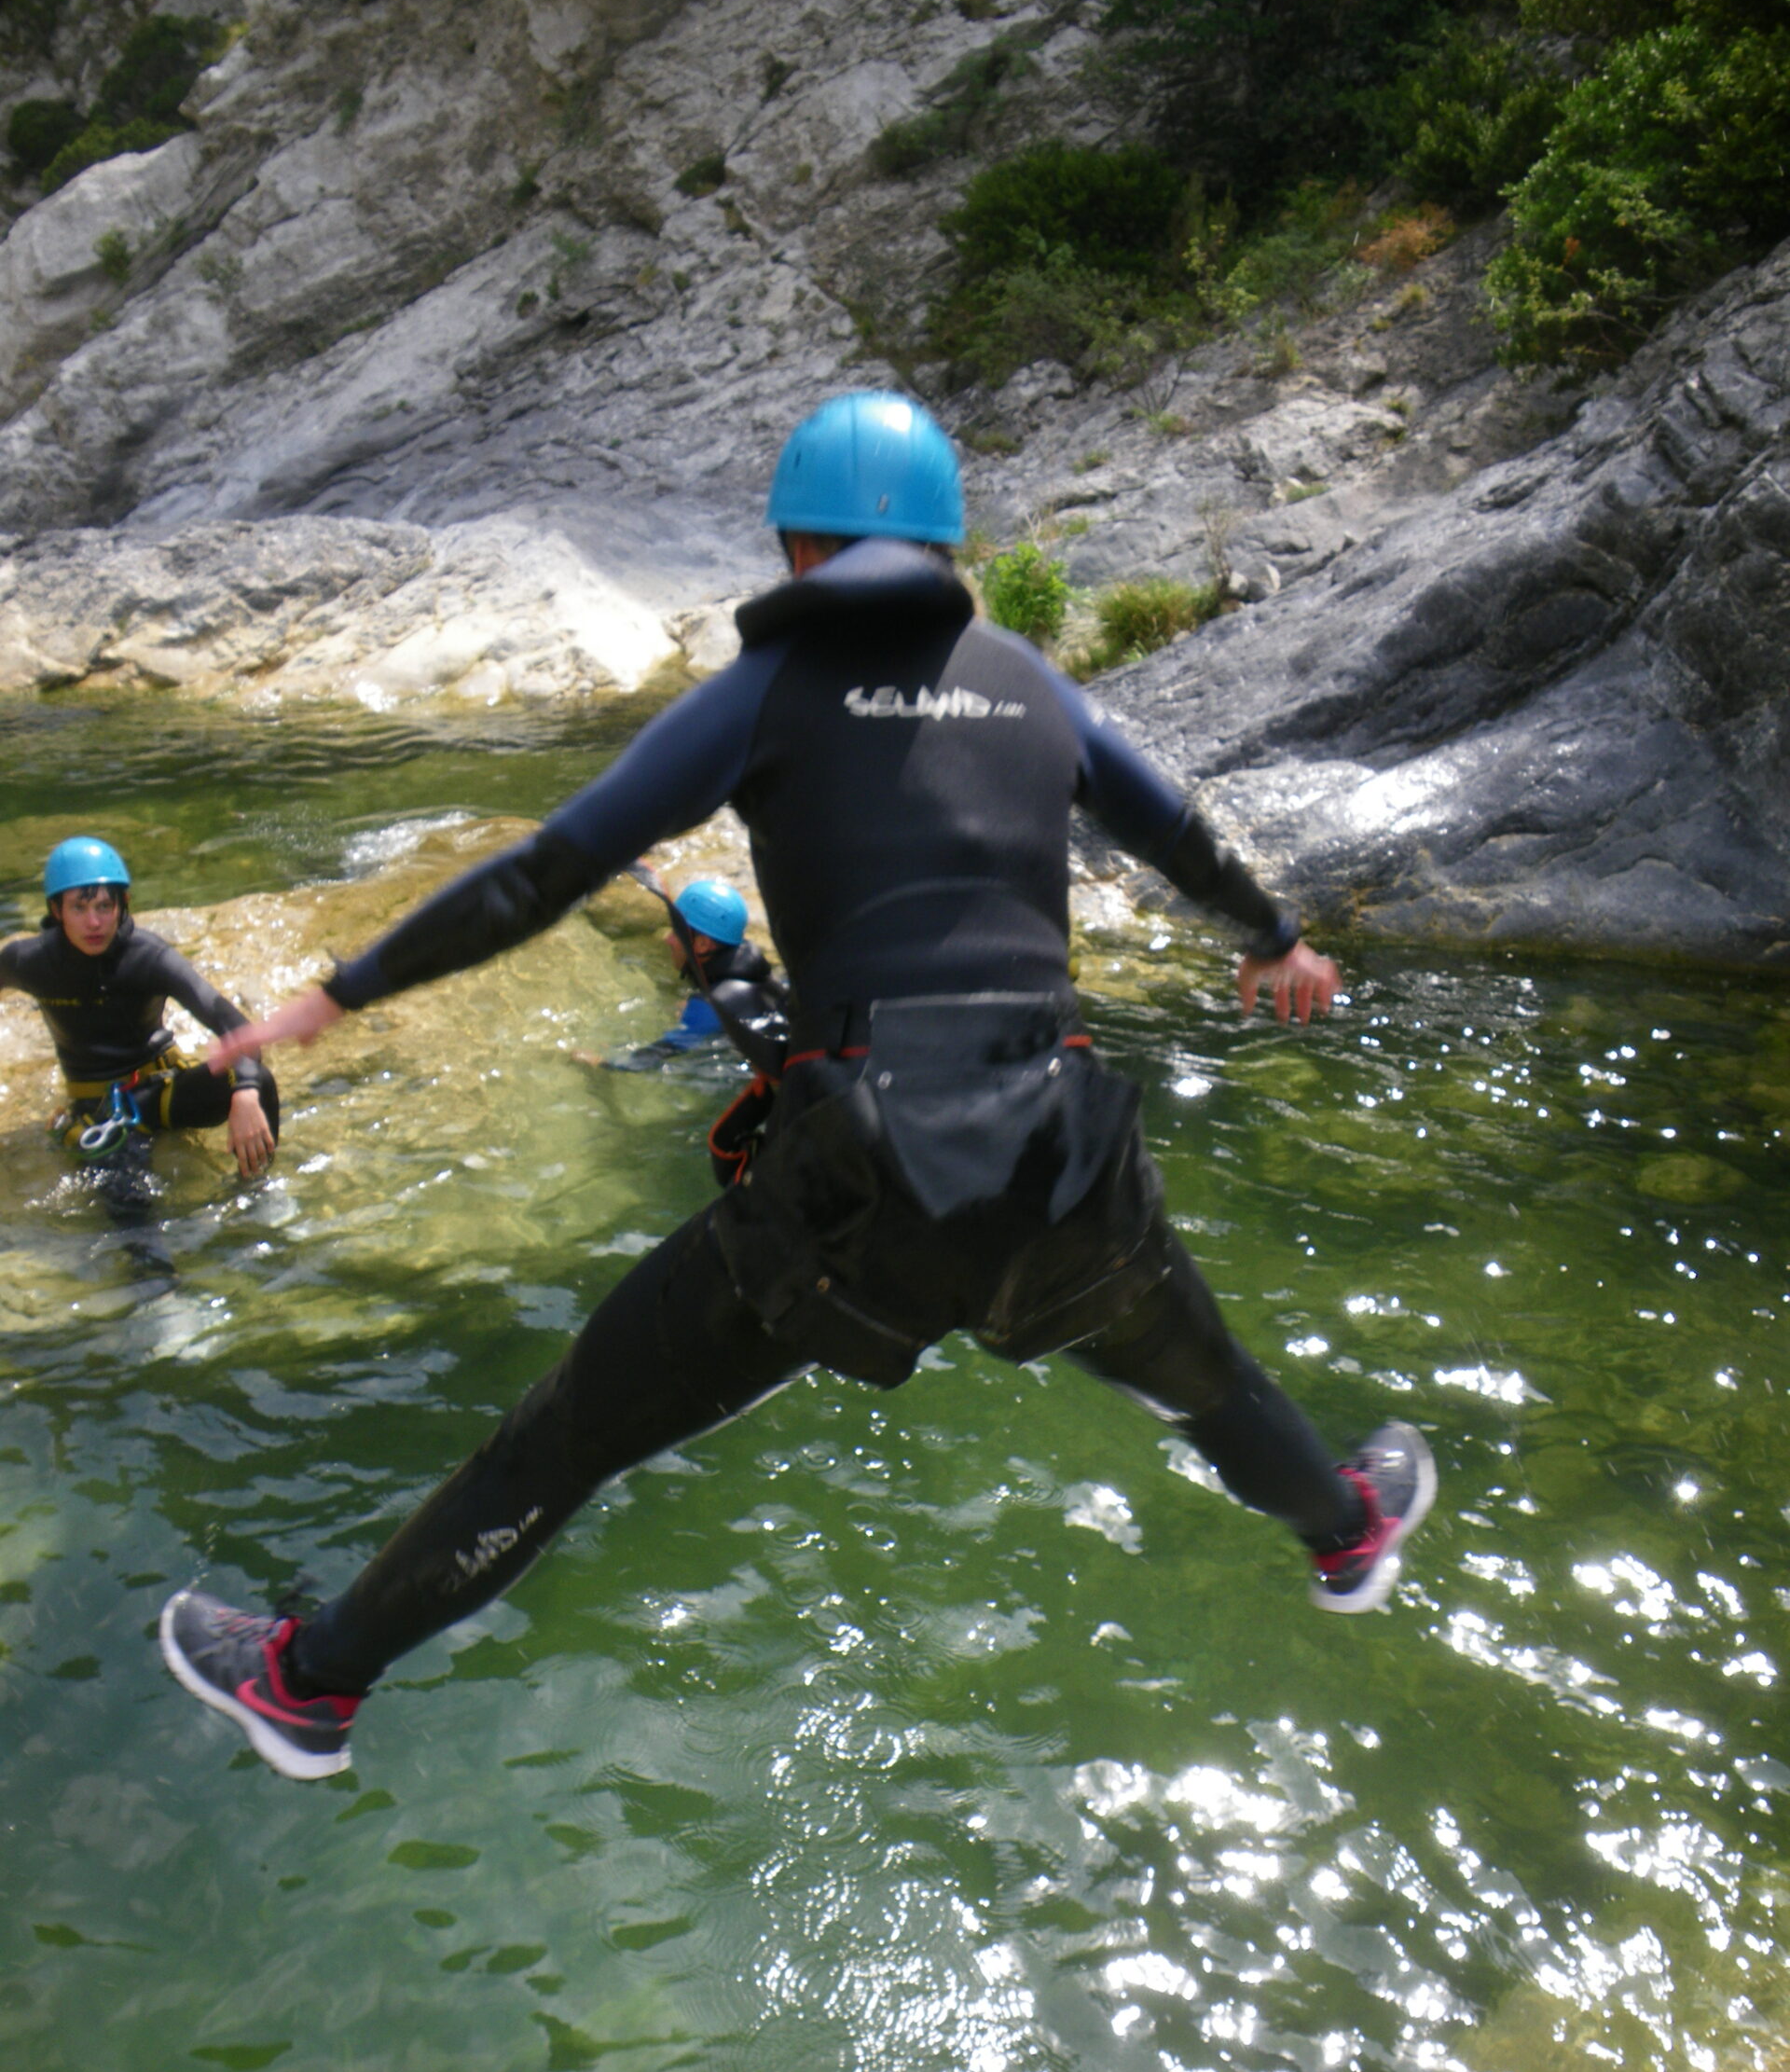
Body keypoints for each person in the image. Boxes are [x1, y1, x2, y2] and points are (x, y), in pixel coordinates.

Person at [159, 391, 1436, 1783]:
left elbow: (549, 871)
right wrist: (1278, 942)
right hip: (1064, 1151)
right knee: (1210, 1383)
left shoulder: (767, 689)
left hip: (863, 1182)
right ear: (947, 544)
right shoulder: (1031, 682)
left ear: (800, 552)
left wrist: (337, 992)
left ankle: (312, 1684)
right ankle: (1347, 1533)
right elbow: (1182, 836)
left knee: (570, 1434)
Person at [1, 837, 279, 1182]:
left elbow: (236, 1027)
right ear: (56, 911)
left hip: (162, 1093)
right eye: (79, 908)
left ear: (123, 904)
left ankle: (257, 1194)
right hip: (99, 1109)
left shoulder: (148, 956)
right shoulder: (29, 961)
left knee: (258, 1082)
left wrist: (246, 1093)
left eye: (104, 907)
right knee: (134, 1221)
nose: (94, 922)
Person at [575, 872, 787, 1071]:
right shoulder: (755, 974)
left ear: (703, 944)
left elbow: (658, 1054)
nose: (668, 939)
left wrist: (602, 1063)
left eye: (677, 931)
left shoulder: (712, 1005)